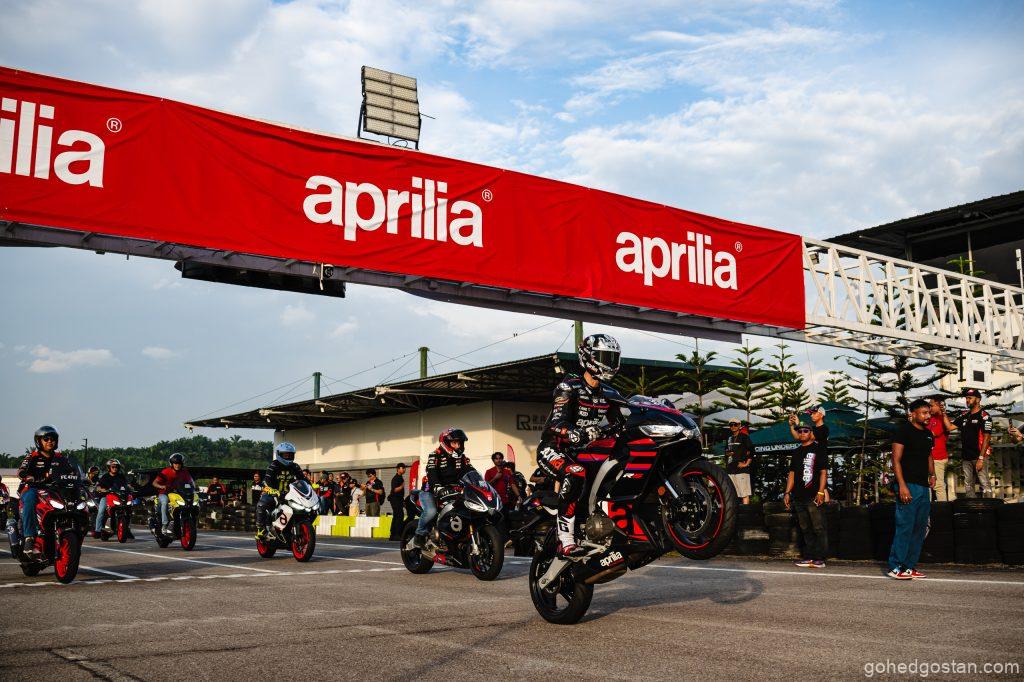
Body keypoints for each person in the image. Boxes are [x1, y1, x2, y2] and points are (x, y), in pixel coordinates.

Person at [538, 333, 625, 557]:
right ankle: (565, 541)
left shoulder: (610, 393)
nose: (609, 363)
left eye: (613, 357)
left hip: (585, 451)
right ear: (588, 357)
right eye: (604, 357)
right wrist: (575, 432)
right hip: (554, 448)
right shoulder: (568, 386)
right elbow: (555, 424)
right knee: (575, 472)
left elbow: (622, 422)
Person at [888, 399, 936, 580]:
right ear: (913, 414)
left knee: (920, 527)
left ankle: (909, 566)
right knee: (905, 527)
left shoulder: (928, 434)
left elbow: (929, 456)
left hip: (923, 486)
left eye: (929, 412)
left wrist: (932, 474)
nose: (928, 416)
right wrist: (902, 485)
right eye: (924, 413)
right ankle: (895, 566)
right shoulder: (903, 431)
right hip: (908, 485)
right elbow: (896, 460)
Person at [411, 428, 472, 549]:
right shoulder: (435, 455)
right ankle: (419, 534)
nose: (458, 446)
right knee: (431, 512)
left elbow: (471, 471)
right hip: (430, 491)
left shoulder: (462, 458)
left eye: (459, 443)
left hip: (453, 492)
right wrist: (437, 487)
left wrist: (481, 483)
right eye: (454, 443)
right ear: (446, 443)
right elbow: (432, 473)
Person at [17, 425, 71, 558]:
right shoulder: (32, 456)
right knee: (30, 498)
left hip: (53, 489)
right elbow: (21, 471)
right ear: (39, 441)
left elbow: (71, 471)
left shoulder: (60, 457)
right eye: (46, 439)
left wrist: (79, 478)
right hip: (33, 488)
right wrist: (27, 476)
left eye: (52, 439)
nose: (50, 441)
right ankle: (29, 537)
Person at [783, 421, 828, 569]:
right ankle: (809, 557)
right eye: (800, 431)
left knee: (818, 527)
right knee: (805, 529)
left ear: (811, 433)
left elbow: (823, 472)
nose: (802, 433)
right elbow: (792, 474)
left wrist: (821, 492)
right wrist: (787, 492)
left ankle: (820, 559)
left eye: (805, 431)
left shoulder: (818, 448)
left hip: (813, 495)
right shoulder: (796, 452)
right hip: (798, 496)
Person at [948, 388, 993, 497]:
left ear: (978, 399)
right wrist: (943, 413)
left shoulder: (985, 416)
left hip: (979, 456)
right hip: (966, 457)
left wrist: (981, 458)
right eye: (966, 398)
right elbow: (949, 427)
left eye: (970, 398)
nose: (967, 400)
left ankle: (989, 506)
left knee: (984, 483)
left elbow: (987, 437)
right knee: (968, 484)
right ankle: (971, 506)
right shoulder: (964, 415)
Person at [255, 442, 303, 540]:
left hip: (290, 495)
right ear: (278, 454)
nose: (288, 456)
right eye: (285, 455)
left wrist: (310, 489)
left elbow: (303, 480)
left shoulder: (295, 467)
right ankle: (261, 529)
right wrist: (272, 490)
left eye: (290, 454)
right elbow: (267, 481)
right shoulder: (273, 465)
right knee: (261, 504)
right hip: (274, 493)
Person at [153, 453, 195, 535]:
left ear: (182, 464)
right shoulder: (166, 471)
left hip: (178, 493)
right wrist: (162, 486)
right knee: (165, 502)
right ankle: (164, 525)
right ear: (172, 464)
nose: (177, 465)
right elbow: (154, 483)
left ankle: (188, 522)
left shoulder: (184, 472)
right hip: (164, 493)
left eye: (179, 463)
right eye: (175, 463)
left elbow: (190, 481)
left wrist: (193, 487)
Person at [93, 458, 131, 538]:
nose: (115, 468)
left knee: (128, 509)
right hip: (107, 496)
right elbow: (99, 486)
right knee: (101, 511)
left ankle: (127, 530)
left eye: (116, 467)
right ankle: (97, 530)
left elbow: (126, 485)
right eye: (113, 467)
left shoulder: (121, 476)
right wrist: (101, 489)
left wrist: (130, 487)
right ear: (109, 468)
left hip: (119, 496)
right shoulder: (105, 476)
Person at [926, 396, 953, 501]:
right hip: (928, 457)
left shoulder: (943, 419)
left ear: (939, 405)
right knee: (926, 485)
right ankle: (927, 509)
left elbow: (932, 433)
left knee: (938, 486)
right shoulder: (929, 418)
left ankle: (943, 509)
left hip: (938, 457)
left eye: (931, 405)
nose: (929, 408)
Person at [725, 418, 753, 505]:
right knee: (733, 494)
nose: (733, 426)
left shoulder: (744, 437)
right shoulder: (729, 438)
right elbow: (726, 451)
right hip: (730, 469)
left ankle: (746, 512)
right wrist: (727, 453)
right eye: (731, 425)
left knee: (744, 494)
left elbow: (752, 451)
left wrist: (746, 464)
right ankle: (736, 512)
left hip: (741, 470)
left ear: (739, 425)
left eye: (735, 424)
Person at [388, 463, 407, 540]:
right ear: (398, 469)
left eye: (405, 468)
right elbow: (395, 490)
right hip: (395, 499)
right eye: (403, 468)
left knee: (398, 516)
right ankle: (395, 534)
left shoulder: (400, 477)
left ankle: (395, 534)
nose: (404, 470)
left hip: (399, 499)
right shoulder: (396, 478)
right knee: (398, 516)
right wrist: (402, 486)